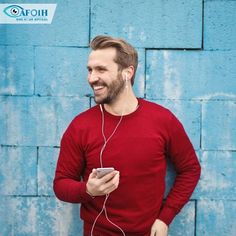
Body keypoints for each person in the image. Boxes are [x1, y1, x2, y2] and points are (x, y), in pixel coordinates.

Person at [53, 35, 201, 236]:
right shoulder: (80, 126)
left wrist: (165, 217)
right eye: (90, 70)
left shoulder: (162, 120)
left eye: (101, 69)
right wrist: (88, 190)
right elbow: (61, 184)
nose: (91, 78)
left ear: (127, 72)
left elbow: (190, 169)